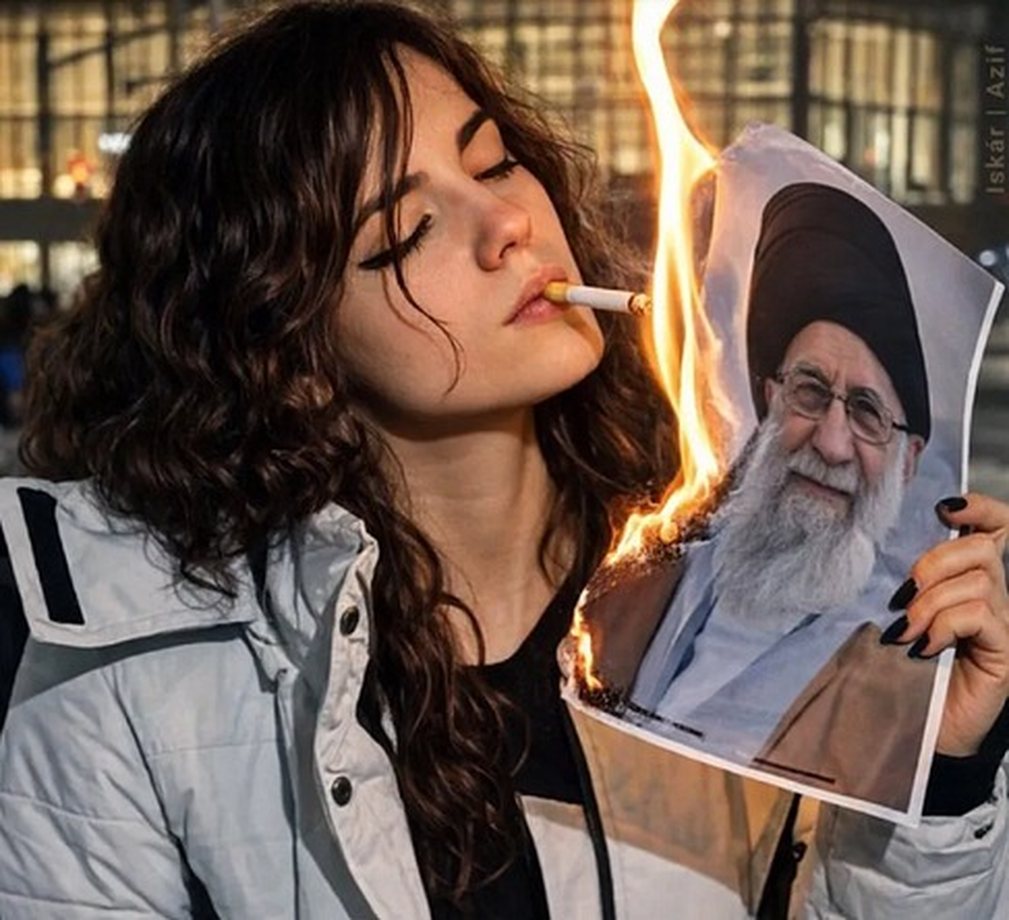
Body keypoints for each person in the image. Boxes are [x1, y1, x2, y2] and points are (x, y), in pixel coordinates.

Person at [0, 3, 1008, 918]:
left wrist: (935, 774)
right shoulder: (127, 675)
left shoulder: (745, 586)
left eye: (492, 165)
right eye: (407, 232)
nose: (508, 226)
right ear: (286, 350)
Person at [609, 183, 941, 808]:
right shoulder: (654, 569)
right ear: (769, 399)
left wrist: (954, 778)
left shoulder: (911, 666)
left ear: (909, 461)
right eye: (809, 391)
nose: (832, 444)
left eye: (867, 413)